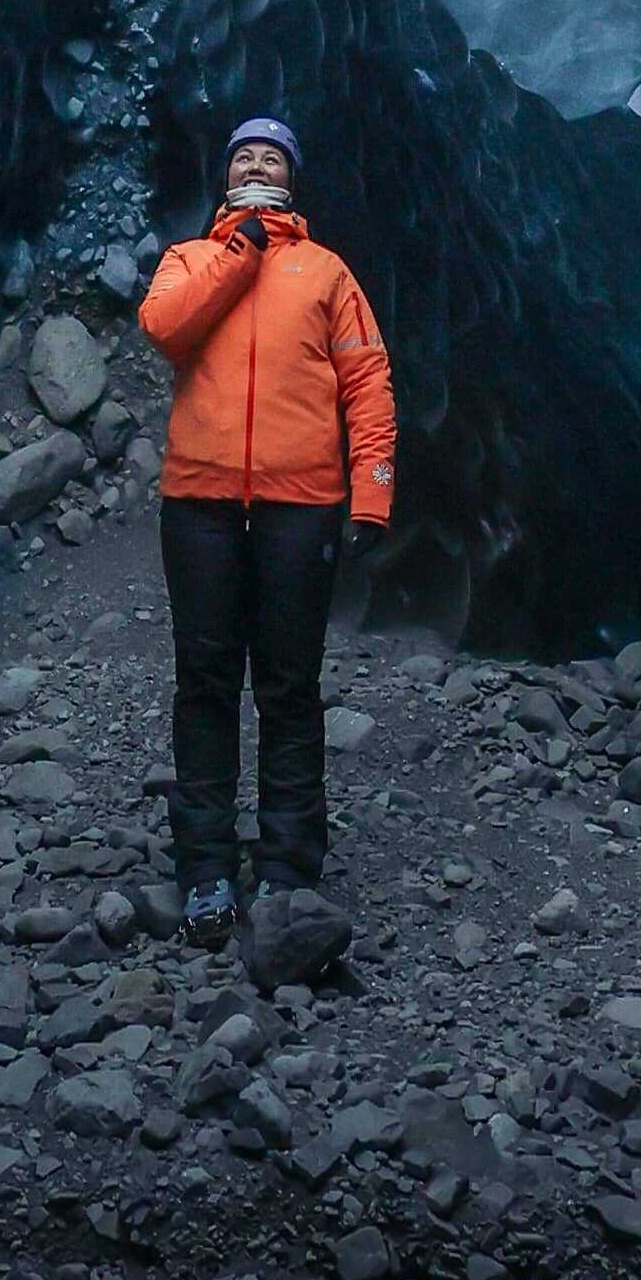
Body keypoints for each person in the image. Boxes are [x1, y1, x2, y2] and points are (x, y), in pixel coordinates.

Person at [136, 112, 395, 942]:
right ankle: (206, 868)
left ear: (293, 179)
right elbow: (165, 329)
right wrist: (240, 250)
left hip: (300, 504)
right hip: (201, 505)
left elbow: (368, 384)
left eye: (272, 158)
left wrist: (372, 494)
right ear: (225, 178)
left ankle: (287, 868)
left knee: (288, 686)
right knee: (205, 683)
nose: (257, 165)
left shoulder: (328, 273)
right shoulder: (192, 260)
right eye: (244, 155)